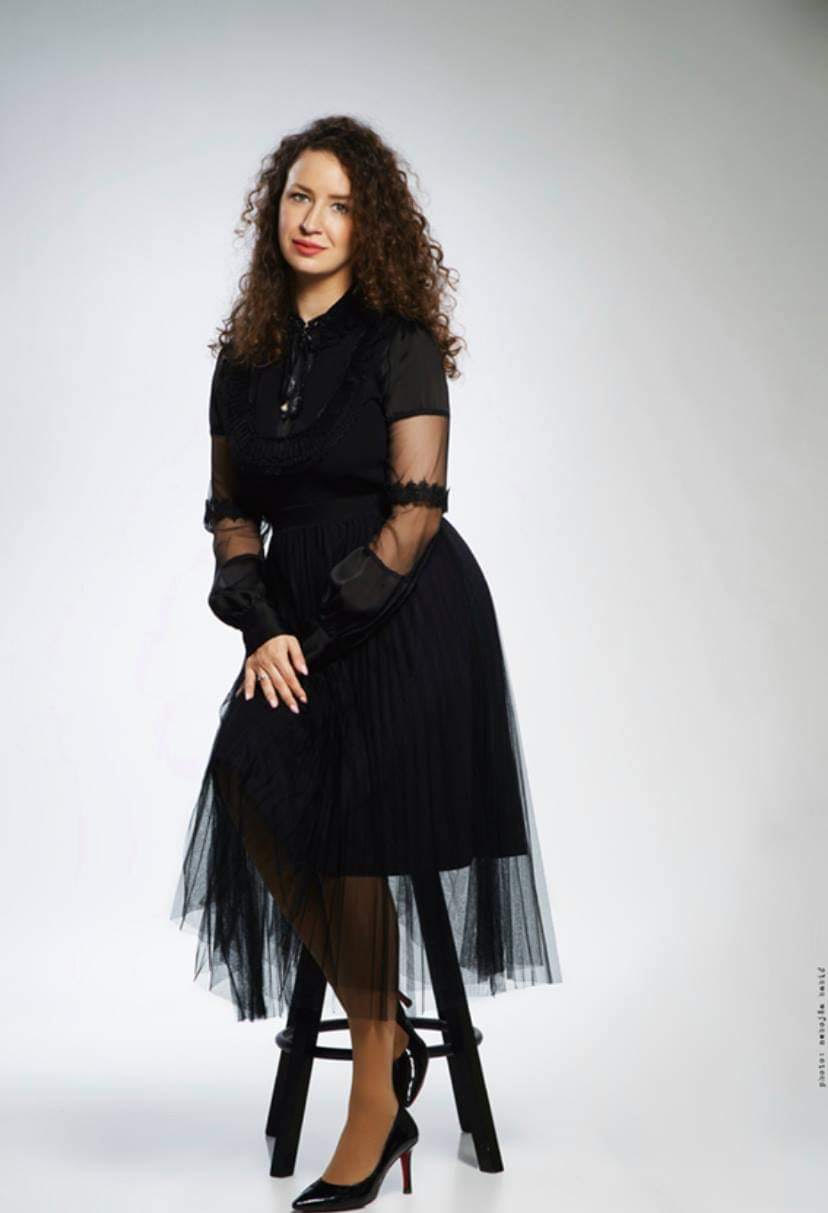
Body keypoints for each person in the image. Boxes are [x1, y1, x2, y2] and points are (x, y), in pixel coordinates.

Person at [170, 114, 562, 1210]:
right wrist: (263, 627)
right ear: (274, 208)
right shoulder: (242, 360)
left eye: (340, 204)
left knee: (348, 818)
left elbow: (417, 513)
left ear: (369, 225)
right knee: (250, 779)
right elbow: (231, 513)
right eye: (300, 195)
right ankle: (384, 1043)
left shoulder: (400, 343)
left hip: (406, 616)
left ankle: (371, 1097)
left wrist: (319, 633)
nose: (314, 219)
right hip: (293, 621)